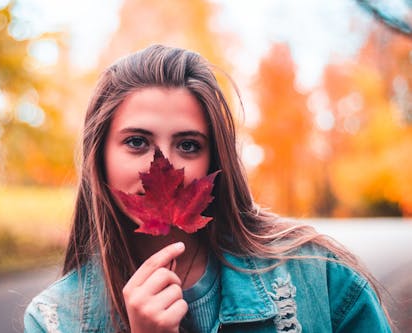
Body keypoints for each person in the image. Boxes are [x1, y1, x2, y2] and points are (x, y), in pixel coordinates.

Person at [24, 44, 392, 332]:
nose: (162, 167)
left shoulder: (317, 275)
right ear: (99, 156)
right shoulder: (57, 319)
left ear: (215, 159)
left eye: (188, 145)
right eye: (137, 142)